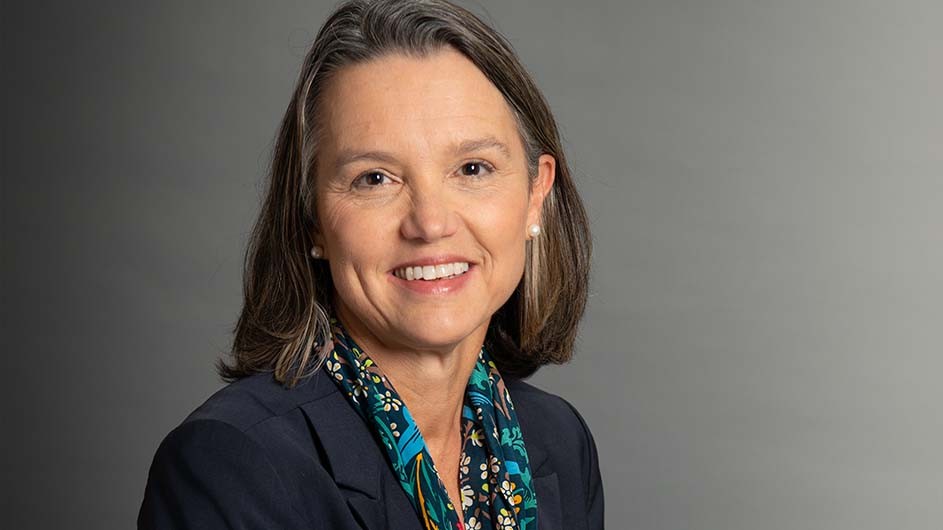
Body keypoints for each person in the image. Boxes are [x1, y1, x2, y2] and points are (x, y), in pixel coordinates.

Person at [138, 0, 602, 528]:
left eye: (472, 168)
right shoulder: (233, 463)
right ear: (313, 219)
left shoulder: (559, 441)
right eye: (375, 178)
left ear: (535, 195)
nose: (430, 223)